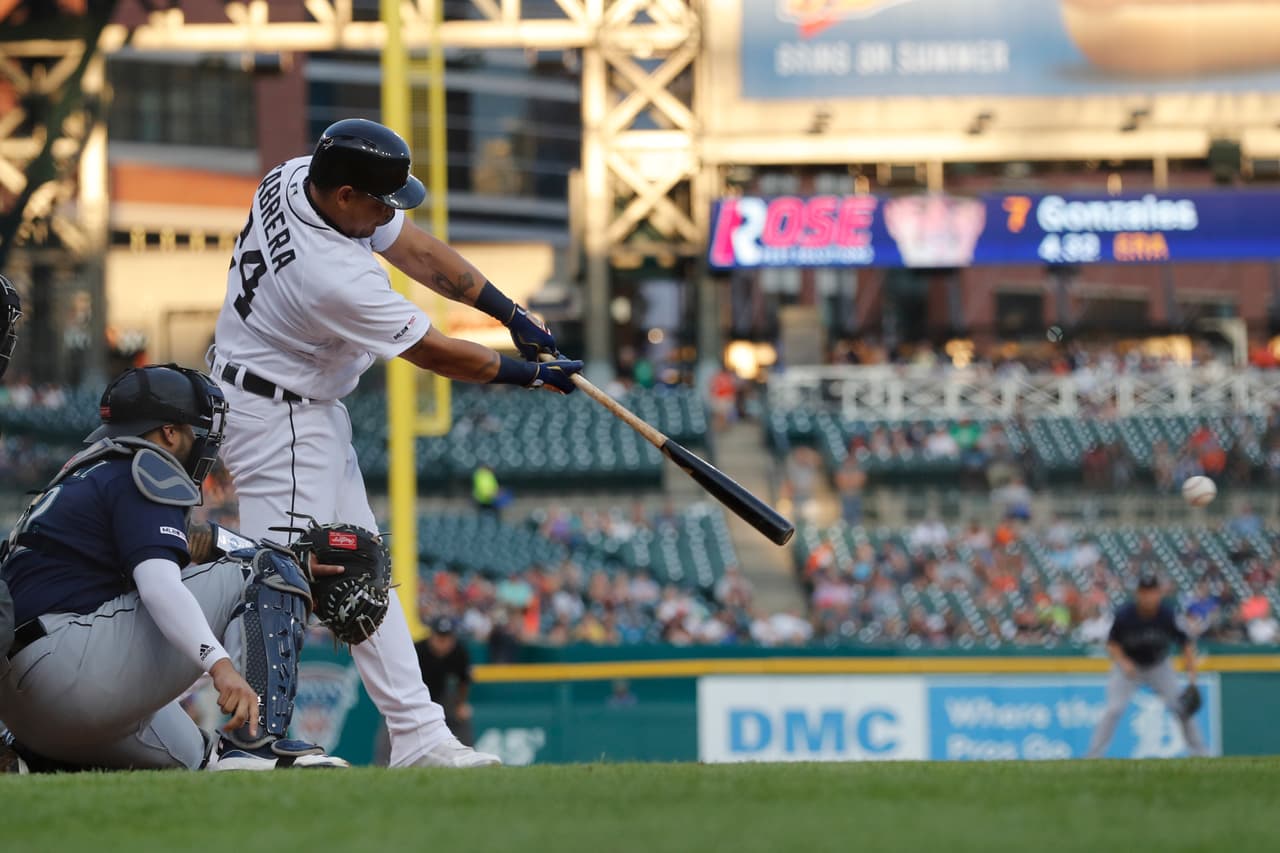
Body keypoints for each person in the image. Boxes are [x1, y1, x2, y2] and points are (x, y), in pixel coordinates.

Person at [207, 118, 581, 768]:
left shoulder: (299, 176)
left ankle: (418, 734)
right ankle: (251, 743)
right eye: (380, 199)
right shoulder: (331, 275)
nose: (390, 210)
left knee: (362, 574)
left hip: (293, 399)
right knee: (279, 573)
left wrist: (512, 315)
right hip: (279, 415)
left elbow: (418, 250)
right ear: (347, 194)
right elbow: (435, 352)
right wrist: (528, 374)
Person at [0, 364, 346, 772]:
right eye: (196, 432)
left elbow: (187, 547)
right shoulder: (147, 464)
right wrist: (220, 665)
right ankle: (256, 742)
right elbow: (160, 586)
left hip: (23, 705)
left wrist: (279, 558)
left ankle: (36, 759)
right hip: (72, 668)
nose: (204, 446)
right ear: (168, 433)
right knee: (267, 569)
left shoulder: (84, 473)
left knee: (200, 765)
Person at [1085, 572, 1207, 759]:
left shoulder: (1167, 615)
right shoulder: (1125, 614)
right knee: (1114, 709)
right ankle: (1093, 756)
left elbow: (1187, 645)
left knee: (1181, 707)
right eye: (1144, 592)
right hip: (1129, 667)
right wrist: (1124, 662)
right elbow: (1112, 643)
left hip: (1158, 665)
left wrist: (1192, 680)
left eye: (1152, 592)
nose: (1148, 596)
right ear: (1138, 594)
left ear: (1159, 593)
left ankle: (1200, 754)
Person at [413, 616, 474, 745]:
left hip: (441, 694)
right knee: (396, 722)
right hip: (414, 695)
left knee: (461, 717)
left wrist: (461, 704)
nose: (444, 642)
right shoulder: (417, 650)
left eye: (447, 638)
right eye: (440, 638)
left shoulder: (459, 652)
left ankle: (468, 760)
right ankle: (385, 762)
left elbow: (463, 681)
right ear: (431, 636)